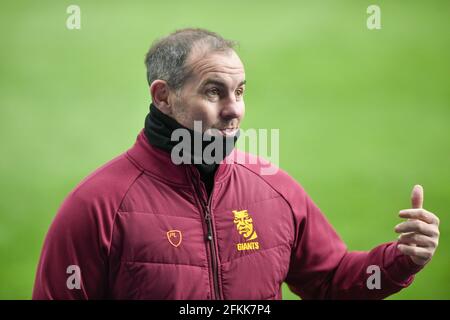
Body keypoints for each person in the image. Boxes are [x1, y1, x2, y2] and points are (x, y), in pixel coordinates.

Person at [32, 28, 440, 300]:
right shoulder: (98, 206)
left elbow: (330, 279)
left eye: (240, 91)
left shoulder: (274, 189)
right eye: (214, 92)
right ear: (162, 97)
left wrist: (401, 258)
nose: (234, 111)